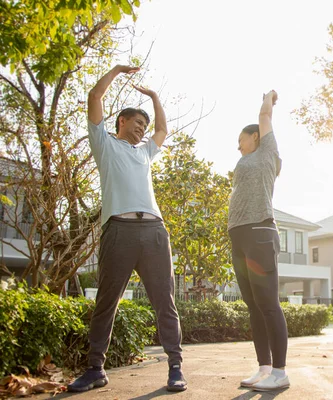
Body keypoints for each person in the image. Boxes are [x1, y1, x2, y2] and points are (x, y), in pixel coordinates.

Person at [67, 65, 187, 393]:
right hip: (118, 231)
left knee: (165, 301)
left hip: (153, 233)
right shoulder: (104, 144)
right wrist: (117, 71)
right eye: (137, 123)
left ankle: (175, 366)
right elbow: (95, 96)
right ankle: (95, 368)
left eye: (144, 126)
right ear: (122, 122)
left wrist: (155, 98)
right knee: (107, 300)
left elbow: (163, 129)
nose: (142, 130)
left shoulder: (145, 152)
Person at [227, 90, 289, 392]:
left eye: (241, 139)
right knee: (252, 304)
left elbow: (264, 117)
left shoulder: (266, 153)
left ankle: (280, 371)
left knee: (267, 304)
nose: (237, 145)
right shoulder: (247, 160)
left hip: (259, 232)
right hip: (238, 235)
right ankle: (264, 367)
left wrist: (269, 98)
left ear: (255, 137)